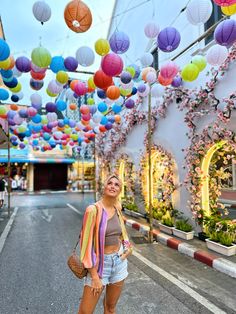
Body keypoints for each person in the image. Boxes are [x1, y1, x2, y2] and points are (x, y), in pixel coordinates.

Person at [78, 174, 133, 314]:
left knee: (110, 308)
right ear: (104, 187)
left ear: (120, 190)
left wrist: (127, 247)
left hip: (119, 261)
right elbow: (86, 245)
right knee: (85, 312)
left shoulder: (117, 208)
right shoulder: (93, 210)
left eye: (116, 184)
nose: (113, 186)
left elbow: (122, 233)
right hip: (99, 266)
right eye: (110, 183)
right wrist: (94, 276)